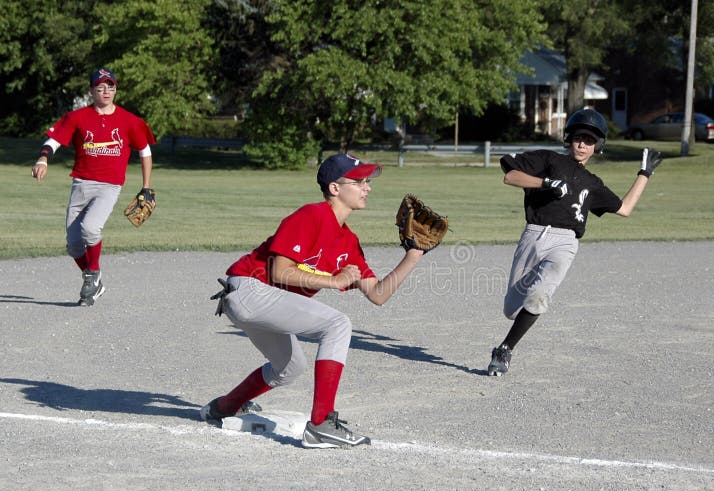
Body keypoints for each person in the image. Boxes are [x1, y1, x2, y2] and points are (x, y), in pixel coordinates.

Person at [201, 153, 426, 448]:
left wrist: (414, 254)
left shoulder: (349, 242)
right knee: (337, 324)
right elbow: (280, 271)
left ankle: (225, 406)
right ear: (335, 188)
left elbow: (378, 294)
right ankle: (321, 423)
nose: (367, 187)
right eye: (359, 181)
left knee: (289, 367)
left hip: (266, 301)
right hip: (247, 289)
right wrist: (333, 281)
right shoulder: (311, 215)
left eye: (367, 181)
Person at [487, 109, 661, 376]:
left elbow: (625, 208)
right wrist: (545, 182)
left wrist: (644, 174)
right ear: (569, 139)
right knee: (511, 309)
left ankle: (505, 349)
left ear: (597, 146)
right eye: (579, 138)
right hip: (534, 235)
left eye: (590, 140)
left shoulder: (593, 183)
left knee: (540, 296)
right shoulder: (548, 159)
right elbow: (510, 176)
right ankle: (513, 324)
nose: (583, 144)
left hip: (566, 242)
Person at [31, 67, 156, 306]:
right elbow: (54, 140)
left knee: (90, 229)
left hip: (109, 187)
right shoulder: (77, 117)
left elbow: (145, 151)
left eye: (111, 86)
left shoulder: (130, 121)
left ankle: (93, 273)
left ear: (116, 89)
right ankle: (93, 280)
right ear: (91, 91)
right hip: (81, 184)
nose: (106, 90)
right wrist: (43, 158)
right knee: (74, 244)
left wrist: (146, 187)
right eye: (100, 87)